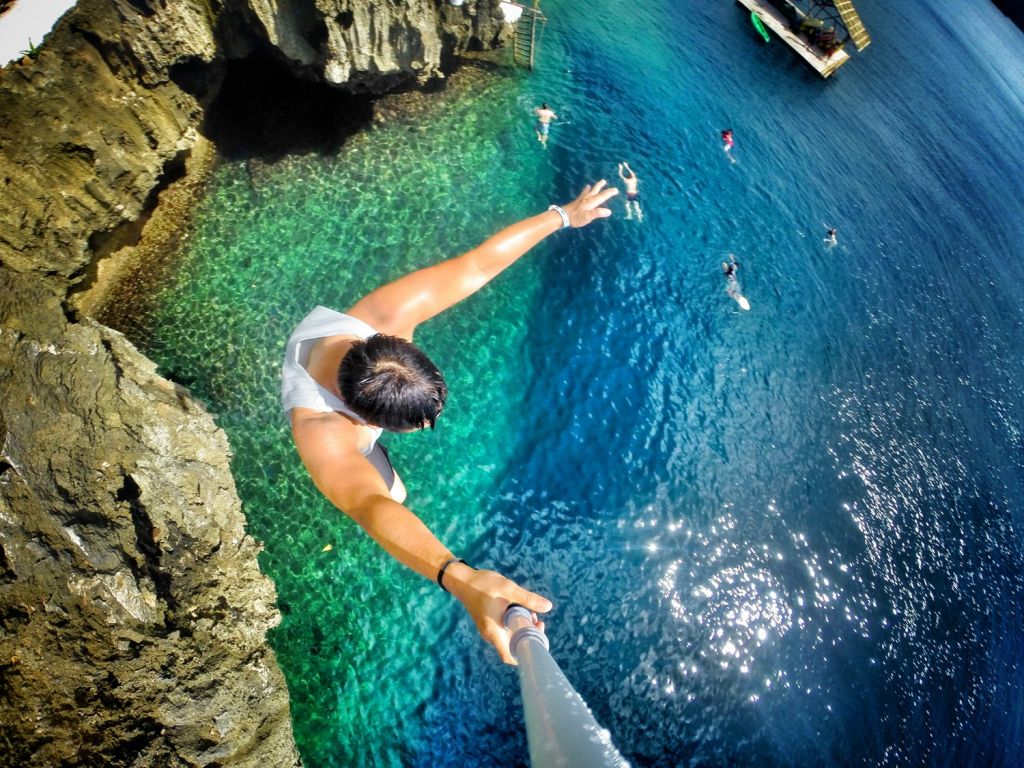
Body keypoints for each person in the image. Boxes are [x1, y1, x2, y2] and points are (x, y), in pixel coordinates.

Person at [282, 181, 619, 664]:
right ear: (364, 418)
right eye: (417, 425)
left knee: (393, 493)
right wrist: (460, 579)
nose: (428, 425)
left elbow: (479, 264)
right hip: (332, 411)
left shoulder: (385, 316)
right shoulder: (325, 430)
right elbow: (368, 505)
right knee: (393, 494)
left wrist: (564, 216)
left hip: (341, 369)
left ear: (401, 345)